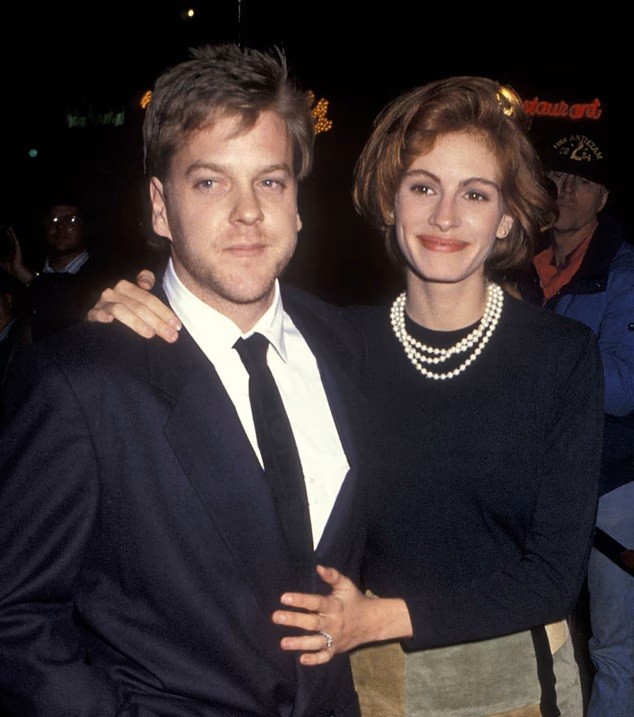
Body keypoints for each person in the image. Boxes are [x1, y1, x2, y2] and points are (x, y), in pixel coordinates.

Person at [87, 77, 605, 717]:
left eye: (475, 194)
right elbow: (221, 300)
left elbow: (554, 577)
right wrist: (132, 303)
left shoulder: (560, 356)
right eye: (423, 188)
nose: (445, 216)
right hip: (361, 683)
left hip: (506, 681)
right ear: (391, 202)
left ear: (505, 217)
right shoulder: (338, 342)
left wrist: (377, 619)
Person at [0, 44, 369, 716]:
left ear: (297, 204)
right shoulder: (79, 383)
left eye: (270, 181)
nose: (248, 211)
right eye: (209, 183)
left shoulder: (349, 348)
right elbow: (15, 616)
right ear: (160, 207)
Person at [517, 131, 634, 717]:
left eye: (582, 181)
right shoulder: (518, 265)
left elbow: (625, 385)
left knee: (616, 648)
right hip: (537, 484)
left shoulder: (623, 271)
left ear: (603, 198)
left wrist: (542, 358)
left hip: (613, 483)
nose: (565, 190)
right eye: (557, 178)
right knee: (529, 635)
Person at [0, 192, 128, 342]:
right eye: (53, 220)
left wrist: (27, 278)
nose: (60, 227)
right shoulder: (22, 277)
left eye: (71, 220)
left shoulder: (105, 276)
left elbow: (73, 302)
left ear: (85, 226)